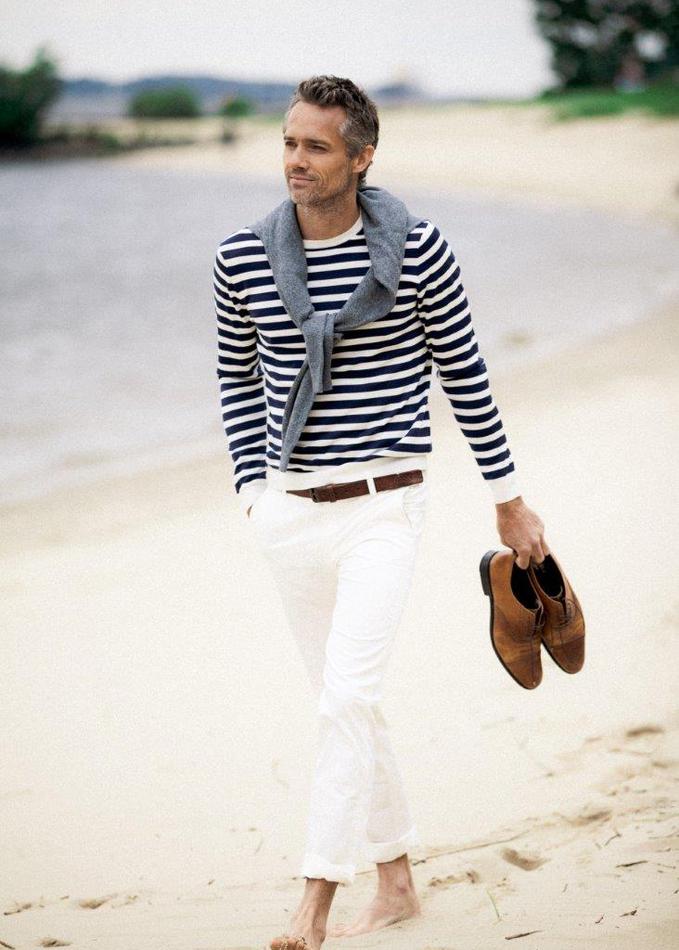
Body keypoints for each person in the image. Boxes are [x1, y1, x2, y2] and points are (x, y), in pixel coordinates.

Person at [213, 75, 548, 950]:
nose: (295, 161)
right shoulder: (241, 257)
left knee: (346, 699)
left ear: (361, 158)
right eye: (289, 142)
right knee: (345, 704)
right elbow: (236, 378)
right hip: (288, 513)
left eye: (316, 147)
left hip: (383, 508)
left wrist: (508, 500)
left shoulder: (418, 250)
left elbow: (464, 375)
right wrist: (252, 492)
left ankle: (313, 901)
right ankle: (395, 882)